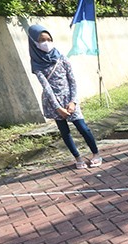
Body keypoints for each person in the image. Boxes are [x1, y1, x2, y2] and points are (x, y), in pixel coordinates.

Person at [28, 25, 100, 169]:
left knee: (83, 128)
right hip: (54, 103)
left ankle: (96, 154)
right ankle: (78, 158)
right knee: (65, 132)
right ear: (33, 42)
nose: (46, 43)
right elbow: (46, 87)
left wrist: (73, 101)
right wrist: (58, 108)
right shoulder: (36, 64)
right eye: (42, 40)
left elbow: (72, 81)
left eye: (49, 39)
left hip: (69, 99)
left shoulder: (62, 58)